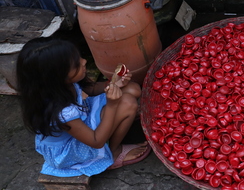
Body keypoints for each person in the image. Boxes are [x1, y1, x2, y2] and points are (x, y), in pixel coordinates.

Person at [16, 37, 150, 177]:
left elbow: (90, 89)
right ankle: (114, 153)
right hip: (74, 147)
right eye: (76, 65)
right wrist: (112, 106)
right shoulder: (61, 112)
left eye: (79, 57)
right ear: (58, 77)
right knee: (128, 103)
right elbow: (95, 141)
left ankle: (120, 120)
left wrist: (114, 84)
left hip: (83, 115)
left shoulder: (60, 86)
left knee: (132, 89)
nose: (84, 61)